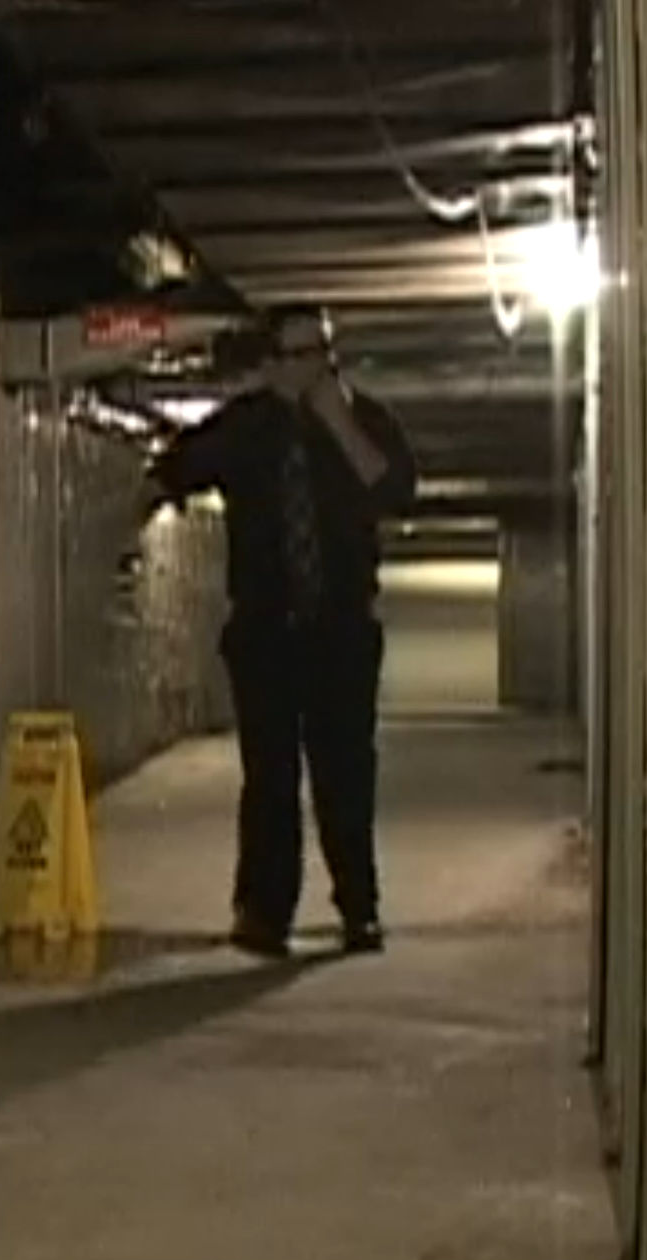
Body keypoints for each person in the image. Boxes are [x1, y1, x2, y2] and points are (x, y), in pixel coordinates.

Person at [144, 304, 418, 958]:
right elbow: (175, 466)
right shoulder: (248, 428)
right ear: (272, 367)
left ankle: (360, 908)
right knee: (269, 777)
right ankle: (265, 913)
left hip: (342, 629)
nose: (318, 367)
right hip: (266, 631)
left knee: (346, 771)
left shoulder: (367, 421)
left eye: (324, 350)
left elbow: (397, 491)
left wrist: (340, 423)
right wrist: (132, 512)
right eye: (301, 355)